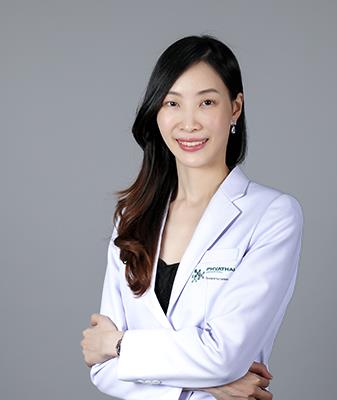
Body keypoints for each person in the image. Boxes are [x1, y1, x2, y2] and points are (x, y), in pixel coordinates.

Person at [80, 34, 304, 400]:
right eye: (173, 103)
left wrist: (118, 345)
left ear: (235, 108)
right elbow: (103, 370)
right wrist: (214, 382)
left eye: (207, 102)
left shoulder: (272, 215)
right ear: (157, 112)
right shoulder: (132, 216)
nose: (189, 123)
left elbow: (224, 354)